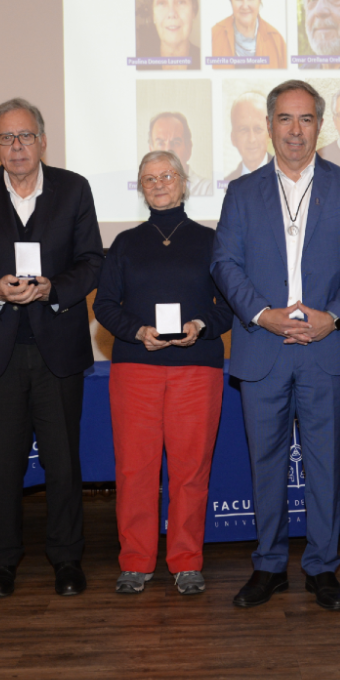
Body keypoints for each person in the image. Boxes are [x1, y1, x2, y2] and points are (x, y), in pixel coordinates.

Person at [212, 80, 340, 611]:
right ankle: (268, 567)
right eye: (284, 119)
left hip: (324, 347)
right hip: (263, 345)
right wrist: (264, 315)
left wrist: (333, 318)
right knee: (265, 464)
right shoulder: (241, 191)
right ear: (268, 127)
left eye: (305, 119)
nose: (294, 130)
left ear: (319, 126)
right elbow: (225, 264)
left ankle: (322, 567)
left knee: (324, 464)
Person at [0, 98, 104, 599]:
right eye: (5, 138)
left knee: (63, 462)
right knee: (2, 462)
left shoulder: (74, 188)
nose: (16, 147)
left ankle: (66, 559)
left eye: (25, 136)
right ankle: (2, 562)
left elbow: (91, 261)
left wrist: (52, 288)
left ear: (42, 140)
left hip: (58, 346)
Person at [93, 151, 233, 596]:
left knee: (191, 470)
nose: (158, 183)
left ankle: (187, 561)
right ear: (140, 186)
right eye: (148, 177)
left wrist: (200, 325)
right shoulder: (125, 244)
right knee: (136, 469)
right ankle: (135, 561)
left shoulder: (213, 242)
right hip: (137, 368)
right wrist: (137, 331)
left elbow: (229, 306)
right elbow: (104, 306)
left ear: (183, 181)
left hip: (197, 368)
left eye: (166, 175)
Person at [211, 0, 287, 69]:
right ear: (231, 1)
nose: (245, 5)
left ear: (259, 1)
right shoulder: (214, 35)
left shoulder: (277, 40)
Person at [137, 0, 202, 71]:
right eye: (162, 3)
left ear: (193, 10)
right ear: (153, 14)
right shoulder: (138, 62)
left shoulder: (205, 62)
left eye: (181, 2)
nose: (171, 13)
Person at [149, 112, 212, 196]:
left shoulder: (208, 189)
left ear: (188, 149)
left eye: (176, 142)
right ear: (151, 152)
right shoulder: (142, 193)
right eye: (161, 143)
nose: (168, 149)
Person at [224, 92, 272, 182]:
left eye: (258, 129)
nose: (251, 139)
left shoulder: (289, 178)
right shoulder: (226, 186)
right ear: (233, 138)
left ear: (269, 134)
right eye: (243, 130)